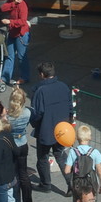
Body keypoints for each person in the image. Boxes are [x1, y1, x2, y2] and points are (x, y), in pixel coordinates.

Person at [31, 60, 72, 193]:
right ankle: (71, 184)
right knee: (60, 155)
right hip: (62, 130)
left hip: (45, 129)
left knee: (42, 157)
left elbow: (37, 113)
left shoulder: (40, 91)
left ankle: (45, 184)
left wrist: (35, 125)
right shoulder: (64, 86)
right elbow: (71, 108)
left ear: (42, 74)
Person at [63, 124, 101, 196]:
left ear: (77, 137)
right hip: (91, 183)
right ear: (90, 137)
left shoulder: (73, 151)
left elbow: (66, 171)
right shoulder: (95, 152)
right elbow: (100, 171)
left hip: (77, 183)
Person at [0, 0, 30, 85]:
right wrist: (13, 3)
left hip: (21, 34)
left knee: (22, 56)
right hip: (12, 32)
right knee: (9, 55)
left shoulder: (23, 5)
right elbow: (3, 8)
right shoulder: (12, 2)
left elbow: (22, 21)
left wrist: (10, 22)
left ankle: (25, 77)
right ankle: (5, 77)